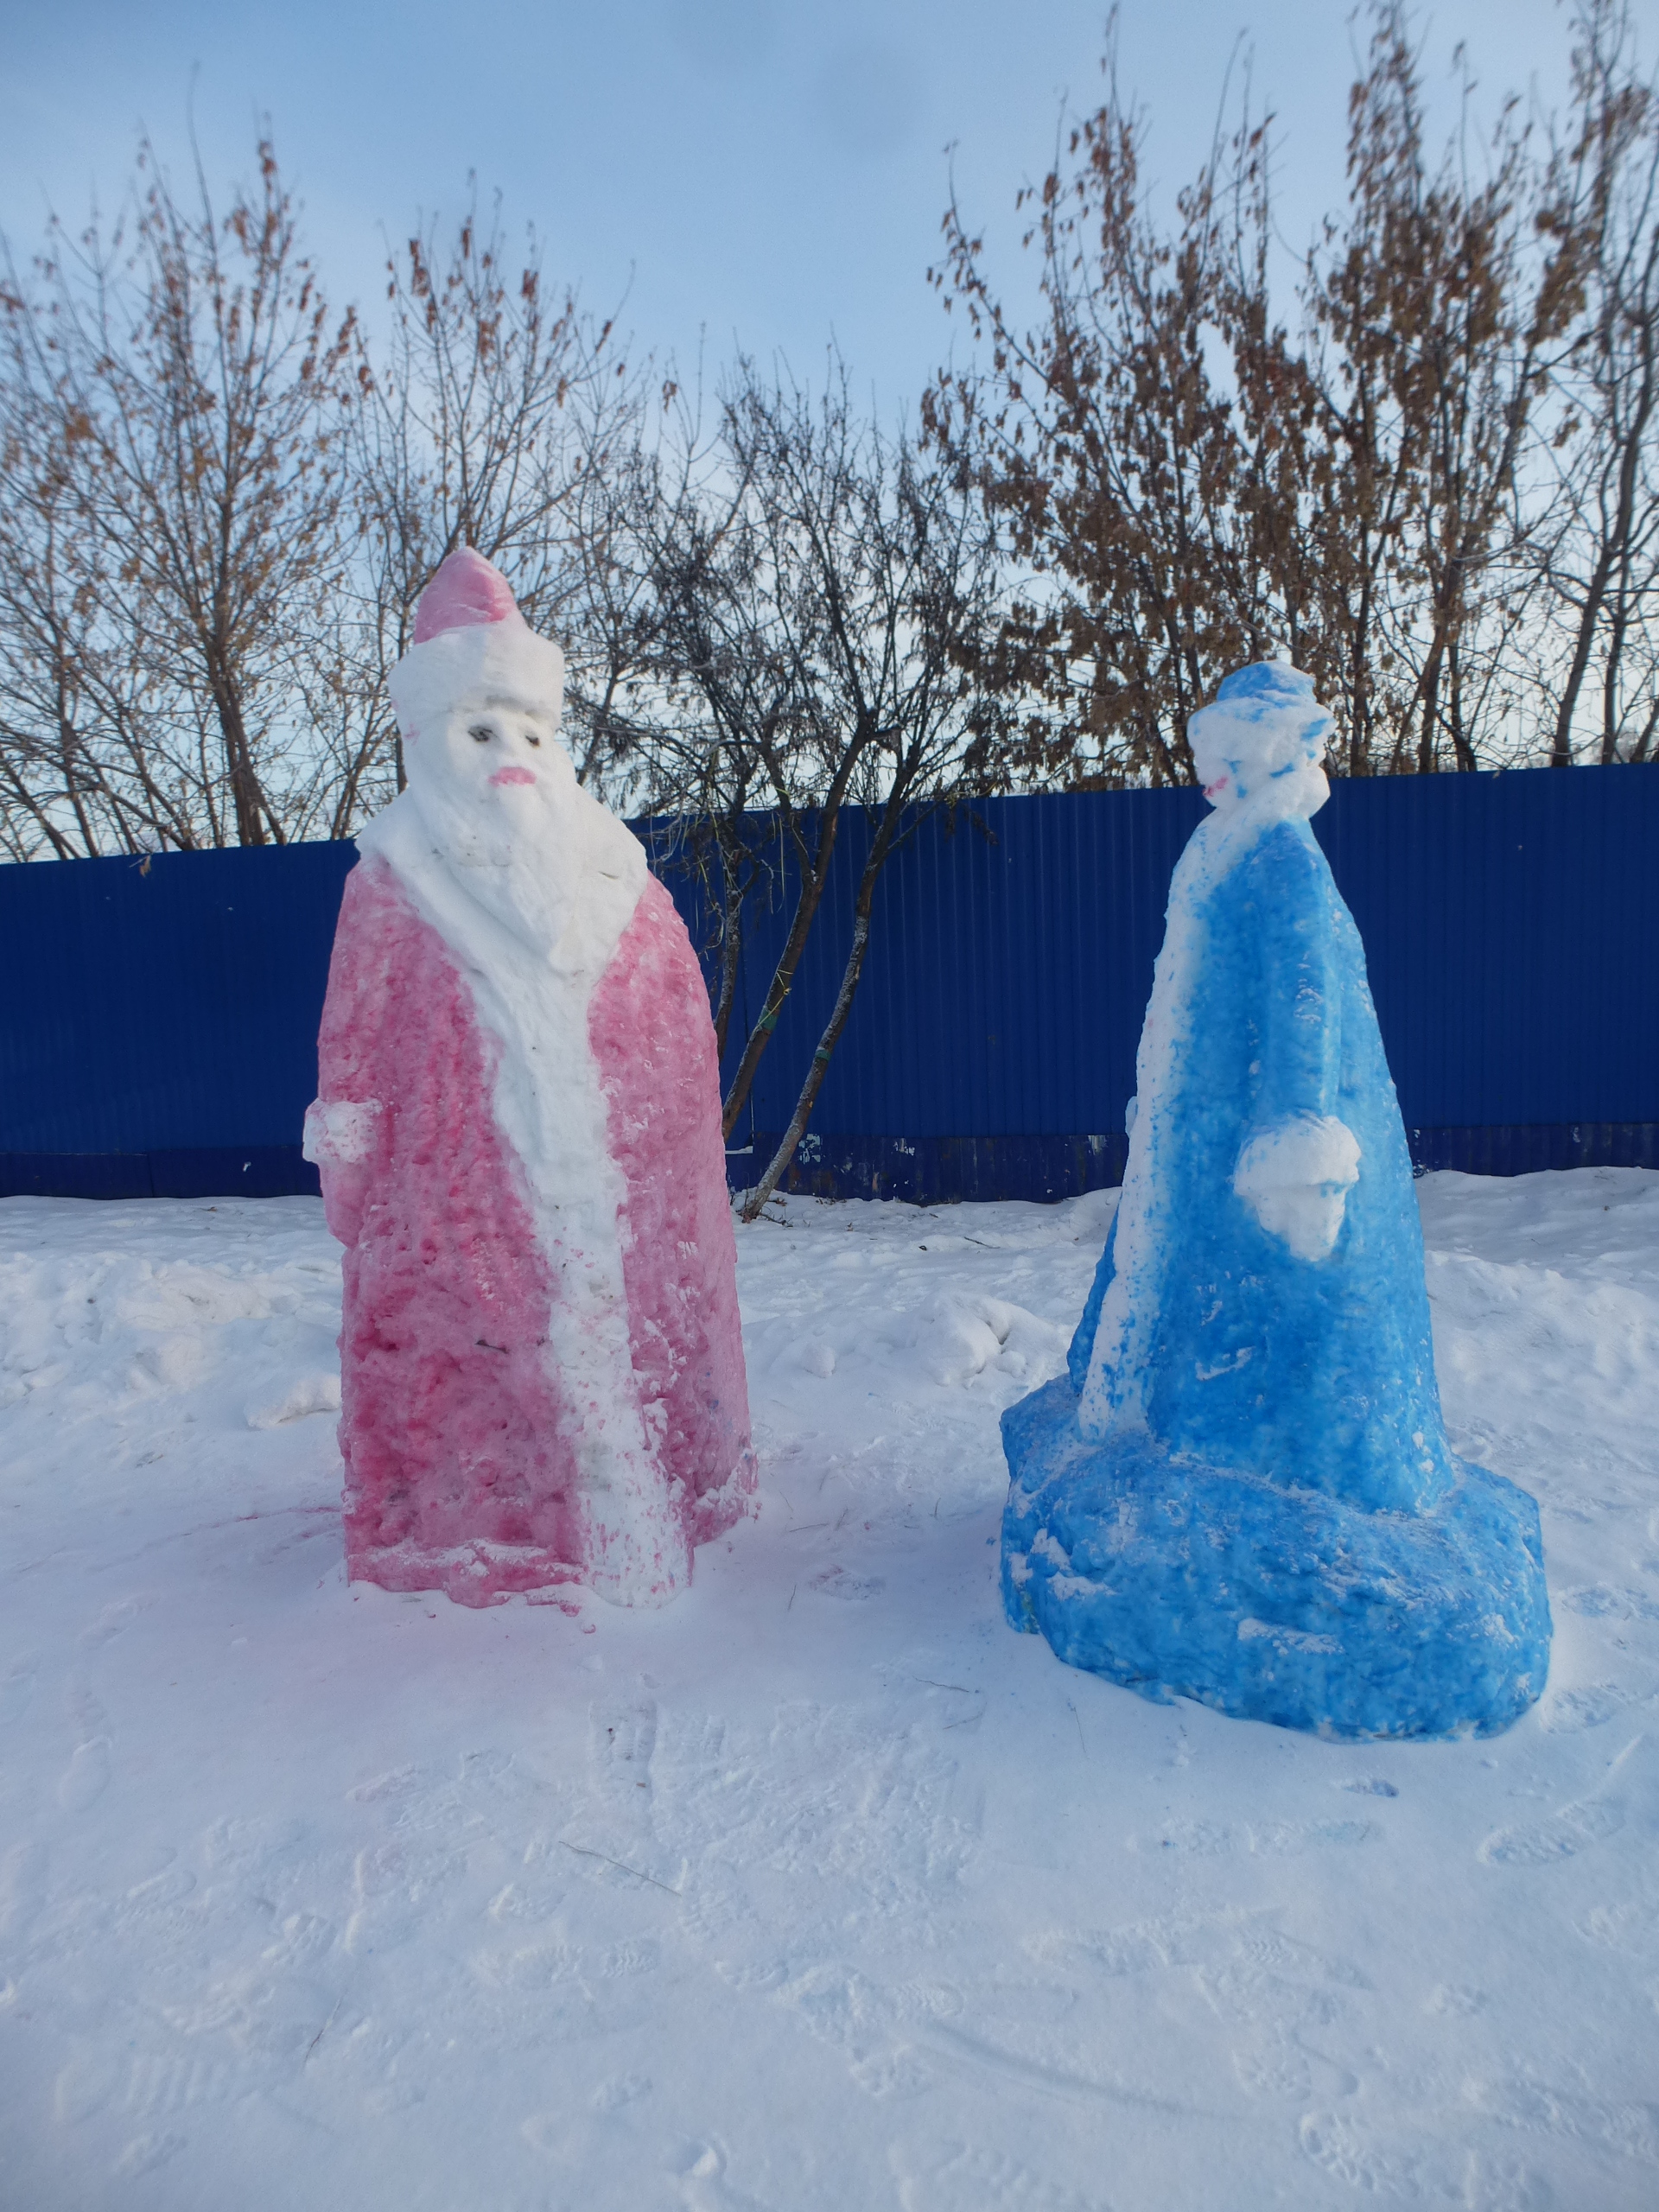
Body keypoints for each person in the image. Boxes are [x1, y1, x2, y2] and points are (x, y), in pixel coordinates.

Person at [1001, 663, 1551, 1738]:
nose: (1206, 774)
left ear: (1268, 752)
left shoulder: (1282, 865)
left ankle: (1296, 1469)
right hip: (1206, 1151)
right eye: (1203, 757)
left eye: (1224, 756)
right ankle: (1195, 1437)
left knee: (1278, 1337)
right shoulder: (1235, 848)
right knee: (1188, 1321)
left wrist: (1297, 1141)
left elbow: (1308, 1007)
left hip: (1267, 1168)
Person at [305, 549, 753, 1608]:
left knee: (644, 1349)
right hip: (462, 1224)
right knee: (479, 1382)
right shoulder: (389, 884)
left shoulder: (621, 880)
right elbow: (353, 1045)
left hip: (636, 1224)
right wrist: (352, 1174)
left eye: (532, 733)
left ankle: (673, 1491)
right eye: (479, 730)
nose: (511, 754)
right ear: (425, 739)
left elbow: (680, 1046)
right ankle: (493, 1537)